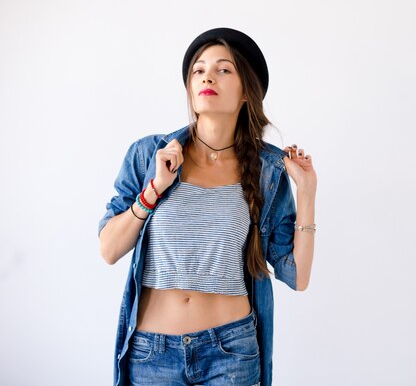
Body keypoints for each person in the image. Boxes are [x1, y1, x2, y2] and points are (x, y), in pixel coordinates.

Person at [98, 27, 317, 386]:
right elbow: (108, 249)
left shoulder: (267, 172)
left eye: (223, 69)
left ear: (247, 91)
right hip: (152, 354)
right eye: (198, 70)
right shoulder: (149, 155)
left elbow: (298, 276)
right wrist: (154, 189)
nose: (207, 77)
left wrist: (306, 190)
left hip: (231, 352)